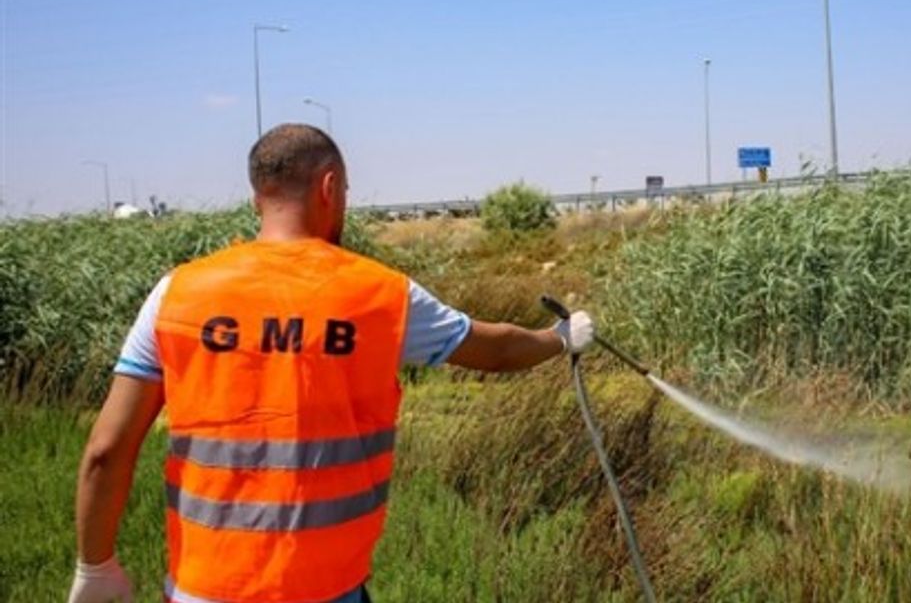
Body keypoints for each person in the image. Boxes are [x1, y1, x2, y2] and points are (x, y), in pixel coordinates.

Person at [68, 124, 594, 603]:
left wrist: (95, 567)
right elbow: (497, 350)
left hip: (202, 590)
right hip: (328, 591)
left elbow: (107, 450)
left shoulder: (176, 294)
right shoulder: (378, 295)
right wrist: (559, 339)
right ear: (329, 186)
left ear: (258, 196)